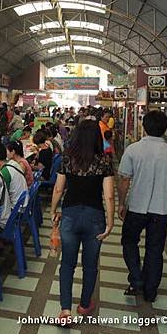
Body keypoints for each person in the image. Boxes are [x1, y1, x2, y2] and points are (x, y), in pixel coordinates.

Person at [49, 120, 115, 320]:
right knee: (90, 264)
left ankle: (65, 310)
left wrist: (53, 210)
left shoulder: (67, 159)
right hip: (95, 217)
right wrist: (111, 222)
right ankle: (85, 305)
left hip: (70, 215)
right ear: (97, 136)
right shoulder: (104, 161)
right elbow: (109, 195)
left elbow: (59, 189)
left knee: (67, 263)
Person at [118, 111, 167, 302]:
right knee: (155, 249)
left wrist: (121, 203)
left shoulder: (133, 150)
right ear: (165, 129)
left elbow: (124, 180)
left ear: (144, 127)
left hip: (136, 207)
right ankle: (150, 291)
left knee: (129, 242)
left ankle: (136, 278)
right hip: (161, 210)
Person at [0, 143, 28, 229]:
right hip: (24, 202)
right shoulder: (13, 163)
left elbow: (1, 194)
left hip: (17, 209)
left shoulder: (5, 172)